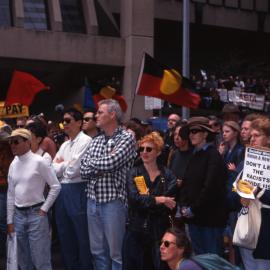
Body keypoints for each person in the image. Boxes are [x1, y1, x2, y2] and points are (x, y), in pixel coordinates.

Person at [80, 99, 137, 270]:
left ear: (112, 115)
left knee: (116, 254)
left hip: (114, 202)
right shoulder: (96, 140)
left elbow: (112, 163)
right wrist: (103, 163)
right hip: (92, 201)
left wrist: (97, 164)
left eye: (100, 112)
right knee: (97, 252)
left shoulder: (126, 138)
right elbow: (82, 170)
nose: (96, 115)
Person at [6, 128, 61, 270]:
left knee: (40, 258)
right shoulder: (13, 163)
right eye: (11, 142)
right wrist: (10, 220)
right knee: (23, 259)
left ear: (27, 142)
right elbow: (11, 194)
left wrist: (44, 209)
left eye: (16, 141)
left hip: (36, 214)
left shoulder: (39, 162)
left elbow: (55, 186)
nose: (12, 145)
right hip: (18, 216)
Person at [123, 132, 177, 270]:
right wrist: (160, 199)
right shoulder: (134, 172)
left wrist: (149, 201)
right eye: (141, 149)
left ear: (158, 152)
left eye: (149, 149)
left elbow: (169, 204)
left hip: (160, 231)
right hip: (136, 230)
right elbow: (134, 200)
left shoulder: (168, 175)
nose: (144, 152)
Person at [179, 116, 228, 256]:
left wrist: (193, 208)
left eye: (195, 131)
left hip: (210, 221)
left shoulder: (213, 156)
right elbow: (186, 183)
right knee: (199, 259)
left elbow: (210, 188)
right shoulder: (194, 155)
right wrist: (183, 205)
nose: (191, 135)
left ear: (205, 134)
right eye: (189, 132)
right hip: (193, 218)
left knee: (212, 261)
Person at [52, 108, 93, 270]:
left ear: (79, 122)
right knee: (64, 234)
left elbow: (74, 170)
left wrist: (61, 165)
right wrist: (65, 165)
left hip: (78, 190)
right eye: (63, 121)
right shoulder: (64, 144)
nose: (65, 124)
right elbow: (52, 169)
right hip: (63, 190)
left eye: (68, 121)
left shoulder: (86, 141)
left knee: (81, 235)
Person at [237, 116, 270, 269]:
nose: (252, 139)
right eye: (251, 136)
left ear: (268, 138)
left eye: (257, 136)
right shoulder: (247, 160)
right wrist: (239, 188)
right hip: (247, 223)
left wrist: (256, 191)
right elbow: (234, 192)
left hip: (266, 229)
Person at [0, 127, 13, 258]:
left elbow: (8, 137)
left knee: (4, 222)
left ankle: (7, 254)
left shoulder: (7, 145)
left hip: (5, 187)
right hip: (3, 187)